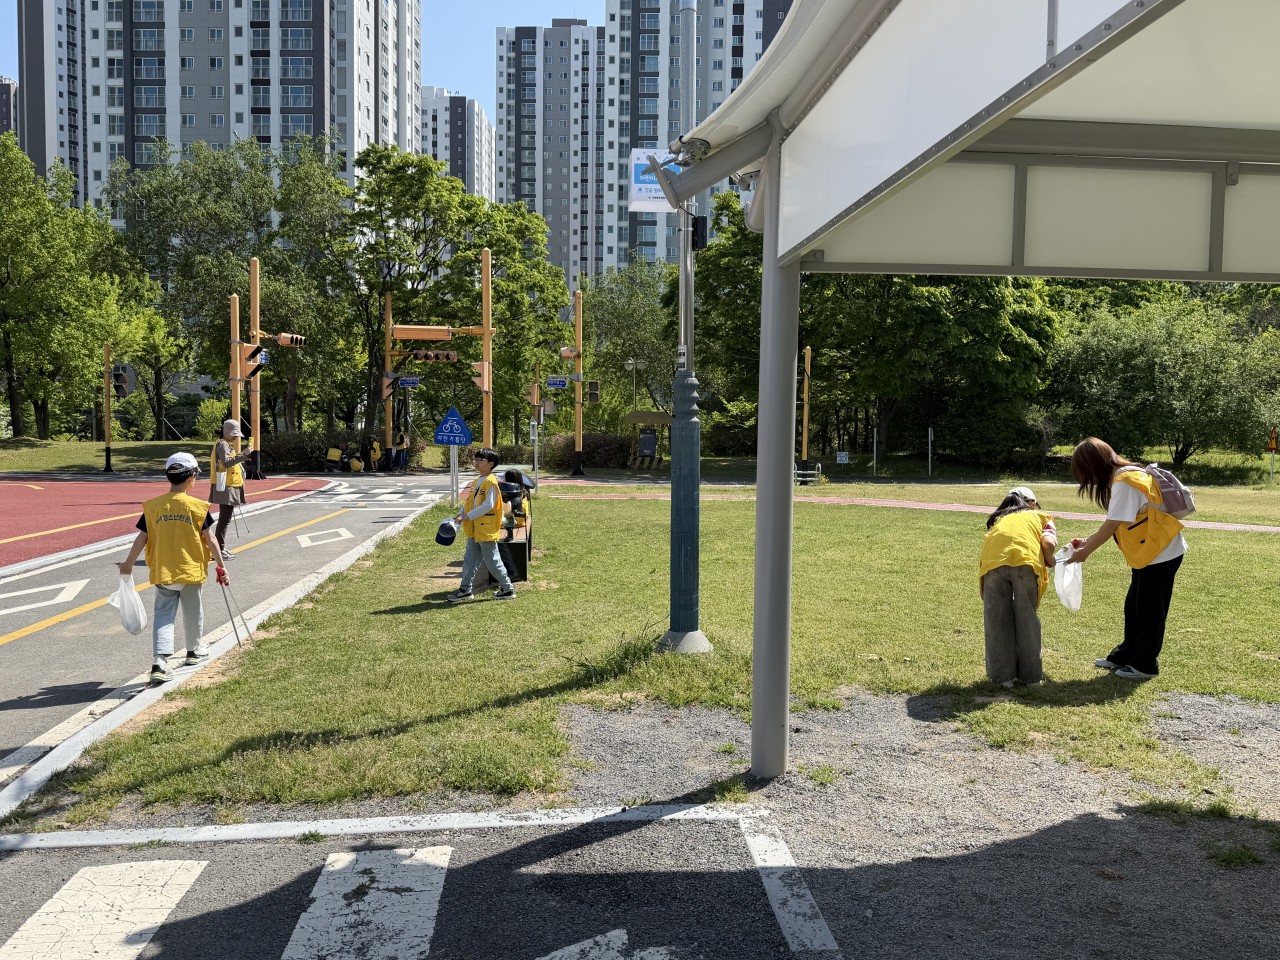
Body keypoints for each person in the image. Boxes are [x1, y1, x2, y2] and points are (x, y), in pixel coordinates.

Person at [1066, 437, 1186, 680]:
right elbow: (1118, 522)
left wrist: (1084, 553)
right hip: (1149, 551)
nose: (1088, 480)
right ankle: (1126, 654)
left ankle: (1144, 665)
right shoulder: (1127, 475)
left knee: (1150, 611)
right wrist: (1086, 542)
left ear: (1093, 465)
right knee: (1135, 606)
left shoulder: (1124, 482)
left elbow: (1111, 525)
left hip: (1160, 552)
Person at [118, 453, 229, 685]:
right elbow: (211, 539)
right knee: (193, 612)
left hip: (164, 571)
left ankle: (159, 662)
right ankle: (194, 650)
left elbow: (142, 538)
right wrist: (221, 566)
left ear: (168, 476)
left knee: (163, 615)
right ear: (191, 477)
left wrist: (128, 564)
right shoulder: (198, 507)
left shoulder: (153, 507)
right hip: (190, 570)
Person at [978, 487, 1058, 687]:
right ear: (1032, 503)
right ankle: (1031, 678)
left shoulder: (1000, 518)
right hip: (1025, 563)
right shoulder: (1041, 516)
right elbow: (1048, 544)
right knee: (1027, 617)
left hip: (992, 565)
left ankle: (1003, 678)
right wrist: (1050, 560)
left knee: (997, 619)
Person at [446, 448, 516, 602]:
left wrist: (467, 516)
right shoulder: (477, 481)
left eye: (480, 460)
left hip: (485, 529)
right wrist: (461, 513)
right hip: (475, 528)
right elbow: (469, 501)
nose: (476, 463)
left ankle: (507, 588)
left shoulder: (491, 481)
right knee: (469, 560)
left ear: (490, 464)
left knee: (492, 560)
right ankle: (465, 589)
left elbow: (488, 505)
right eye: (475, 459)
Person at [210, 419, 252, 560]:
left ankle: (219, 548)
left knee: (225, 518)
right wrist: (244, 454)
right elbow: (227, 463)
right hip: (227, 486)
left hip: (228, 485)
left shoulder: (224, 444)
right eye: (234, 434)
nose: (236, 437)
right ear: (226, 432)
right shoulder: (223, 445)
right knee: (224, 519)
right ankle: (218, 550)